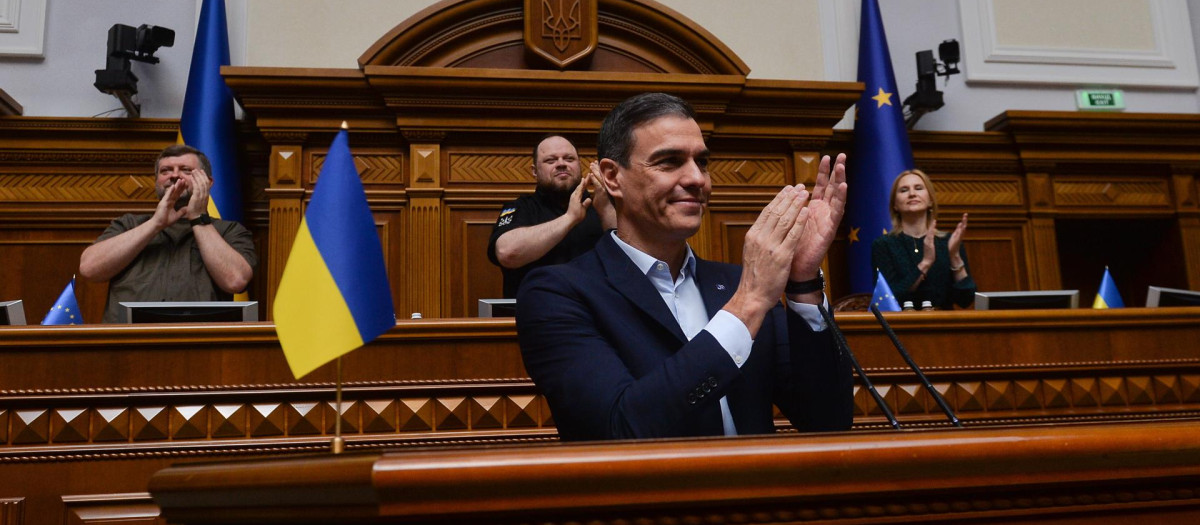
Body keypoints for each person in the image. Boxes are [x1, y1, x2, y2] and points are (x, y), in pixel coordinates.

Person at [516, 93, 854, 441]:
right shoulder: (556, 292)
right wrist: (749, 303)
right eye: (669, 161)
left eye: (702, 163)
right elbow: (620, 428)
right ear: (612, 177)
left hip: (757, 492)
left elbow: (828, 420)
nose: (697, 179)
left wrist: (802, 282)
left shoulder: (734, 283)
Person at [79, 144, 257, 323]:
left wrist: (198, 218)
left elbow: (235, 281)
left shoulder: (230, 231)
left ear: (208, 183)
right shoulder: (129, 224)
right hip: (129, 343)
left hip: (201, 342)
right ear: (157, 181)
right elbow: (89, 269)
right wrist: (156, 224)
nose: (174, 175)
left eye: (186, 170)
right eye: (165, 171)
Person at [488, 134, 616, 298]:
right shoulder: (521, 207)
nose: (561, 164)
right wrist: (569, 218)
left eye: (569, 159)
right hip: (537, 311)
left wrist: (606, 208)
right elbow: (507, 253)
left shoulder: (601, 204)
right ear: (534, 171)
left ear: (579, 165)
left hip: (597, 308)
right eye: (551, 160)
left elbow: (629, 258)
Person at [871, 169, 975, 309]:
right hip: (899, 326)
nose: (912, 194)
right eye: (904, 190)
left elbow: (966, 299)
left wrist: (954, 256)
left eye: (918, 188)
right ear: (895, 205)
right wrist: (925, 263)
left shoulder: (948, 242)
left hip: (944, 325)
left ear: (930, 200)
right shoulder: (884, 245)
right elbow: (889, 297)